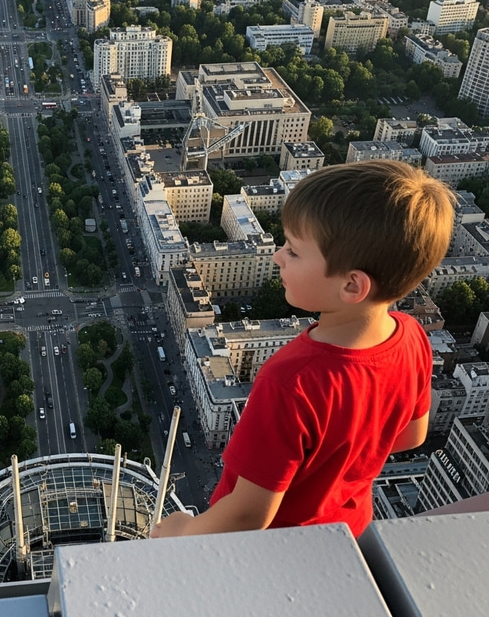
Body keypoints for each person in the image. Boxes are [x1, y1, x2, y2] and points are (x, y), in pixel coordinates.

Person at [151, 160, 455, 539]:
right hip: (345, 532)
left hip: (275, 548)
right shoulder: (412, 338)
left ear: (351, 286)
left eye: (293, 252)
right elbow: (412, 436)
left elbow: (248, 514)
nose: (277, 256)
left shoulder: (291, 381)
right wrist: (333, 467)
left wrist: (182, 531)